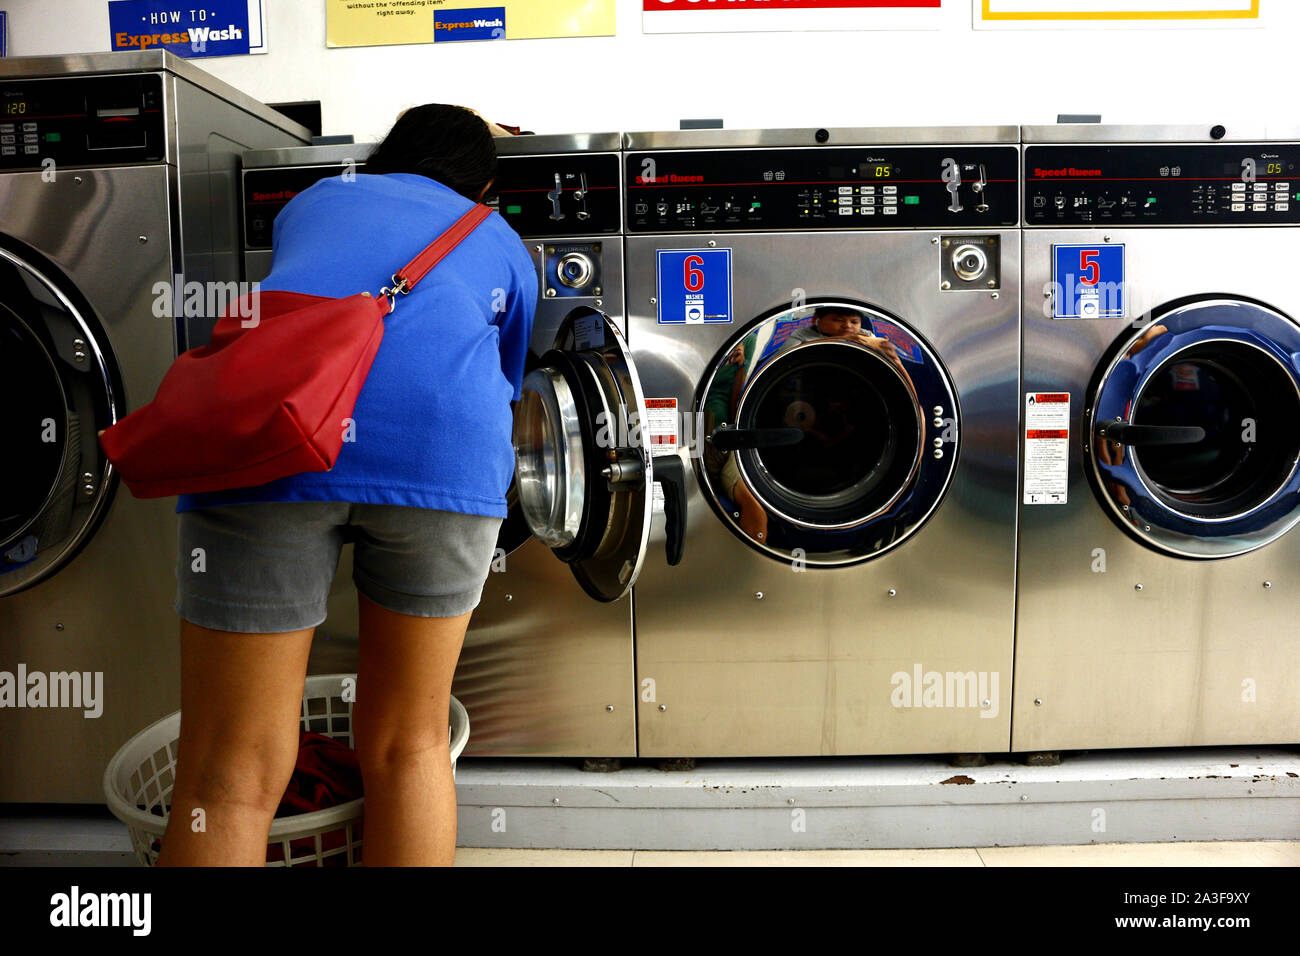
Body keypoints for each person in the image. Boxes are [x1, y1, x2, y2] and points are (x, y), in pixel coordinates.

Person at [154, 105, 537, 866]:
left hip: (276, 440)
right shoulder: (499, 241)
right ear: (485, 184)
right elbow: (507, 379)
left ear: (384, 156)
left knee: (225, 775)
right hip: (443, 458)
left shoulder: (313, 201)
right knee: (410, 743)